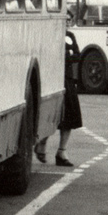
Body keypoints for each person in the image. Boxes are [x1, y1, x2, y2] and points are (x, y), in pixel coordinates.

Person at [36, 31, 81, 167]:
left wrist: (67, 56)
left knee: (70, 117)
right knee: (51, 115)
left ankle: (61, 152)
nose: (67, 21)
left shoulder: (70, 35)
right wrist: (68, 55)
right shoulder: (51, 32)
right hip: (53, 78)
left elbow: (77, 56)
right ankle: (42, 145)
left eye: (69, 20)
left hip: (67, 79)